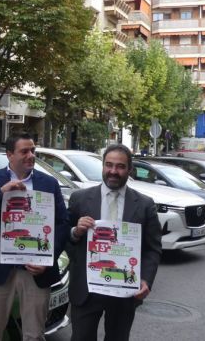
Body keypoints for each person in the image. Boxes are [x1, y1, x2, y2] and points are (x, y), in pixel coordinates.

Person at [0, 133, 69, 341]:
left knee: (34, 334)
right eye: (24, 151)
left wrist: (48, 259)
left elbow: (62, 223)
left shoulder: (49, 184)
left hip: (35, 270)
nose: (30, 155)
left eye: (33, 150)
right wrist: (1, 191)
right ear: (9, 155)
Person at [66, 144, 162, 341]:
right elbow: (64, 239)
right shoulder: (79, 199)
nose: (113, 171)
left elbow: (153, 249)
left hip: (124, 291)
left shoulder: (144, 205)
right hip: (86, 289)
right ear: (103, 166)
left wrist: (146, 280)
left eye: (120, 166)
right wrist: (76, 232)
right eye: (109, 165)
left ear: (129, 170)